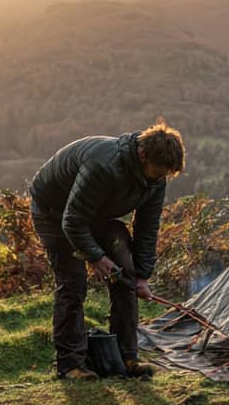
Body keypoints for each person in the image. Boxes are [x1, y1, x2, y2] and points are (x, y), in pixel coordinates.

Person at [28, 122, 185, 379]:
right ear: (142, 155)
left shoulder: (155, 180)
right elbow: (73, 220)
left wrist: (142, 276)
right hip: (54, 215)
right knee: (73, 283)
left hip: (97, 215)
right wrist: (96, 258)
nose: (159, 178)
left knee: (127, 275)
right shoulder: (104, 165)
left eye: (164, 175)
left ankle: (126, 357)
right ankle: (71, 365)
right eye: (157, 172)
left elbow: (147, 228)